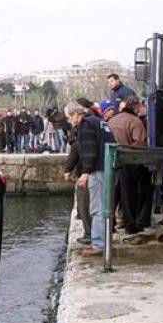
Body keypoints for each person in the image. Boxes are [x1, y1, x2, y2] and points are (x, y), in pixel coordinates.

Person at [65, 101, 115, 256]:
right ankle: (104, 241)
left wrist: (86, 172)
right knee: (105, 207)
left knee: (97, 208)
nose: (69, 121)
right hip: (108, 168)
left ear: (75, 114)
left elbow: (89, 149)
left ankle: (99, 244)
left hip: (98, 170)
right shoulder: (99, 121)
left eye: (68, 118)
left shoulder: (85, 125)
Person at [108, 96, 151, 234]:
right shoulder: (135, 121)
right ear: (135, 107)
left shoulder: (112, 120)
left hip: (111, 159)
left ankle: (110, 223)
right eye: (139, 107)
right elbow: (139, 143)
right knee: (129, 194)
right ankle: (130, 225)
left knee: (114, 193)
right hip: (128, 161)